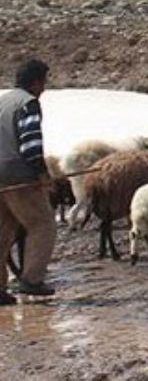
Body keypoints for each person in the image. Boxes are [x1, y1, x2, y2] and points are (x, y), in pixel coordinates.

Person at [0, 58, 56, 304]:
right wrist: (41, 173)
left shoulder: (3, 102)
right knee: (42, 224)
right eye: (43, 81)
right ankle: (31, 280)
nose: (44, 88)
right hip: (19, 173)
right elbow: (31, 141)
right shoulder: (27, 103)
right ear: (35, 82)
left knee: (4, 229)